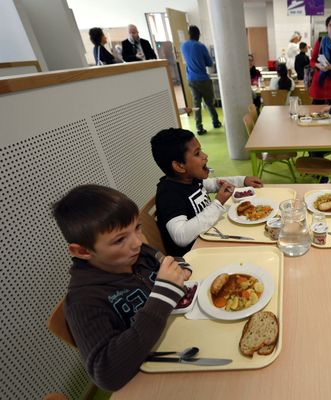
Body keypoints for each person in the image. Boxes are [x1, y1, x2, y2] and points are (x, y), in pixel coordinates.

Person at [54, 184, 191, 391]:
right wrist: (163, 296)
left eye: (137, 227)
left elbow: (170, 261)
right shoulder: (84, 301)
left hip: (180, 342)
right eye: (119, 240)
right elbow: (107, 374)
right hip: (148, 380)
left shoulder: (140, 254)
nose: (137, 242)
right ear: (82, 251)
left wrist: (180, 269)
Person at [151, 128, 263, 256]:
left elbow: (214, 183)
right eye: (197, 153)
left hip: (212, 236)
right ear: (179, 166)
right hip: (196, 255)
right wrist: (217, 203)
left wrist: (242, 180)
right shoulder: (169, 195)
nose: (205, 156)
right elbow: (181, 236)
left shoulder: (190, 178)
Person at [180, 25, 221, 135]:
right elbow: (209, 63)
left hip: (191, 79)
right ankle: (216, 122)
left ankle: (199, 128)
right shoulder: (200, 46)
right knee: (209, 103)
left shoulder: (183, 46)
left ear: (189, 34)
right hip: (203, 79)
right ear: (198, 35)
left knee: (196, 105)